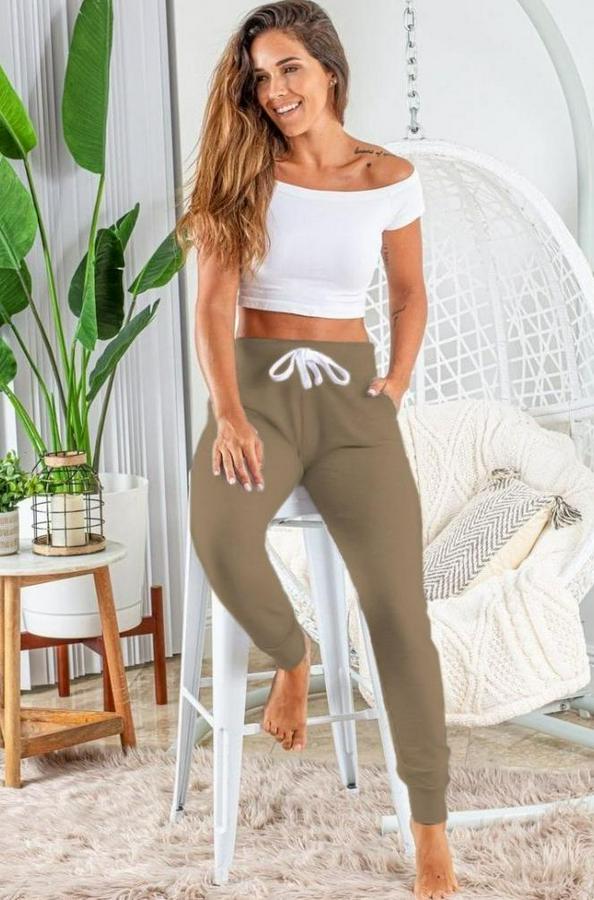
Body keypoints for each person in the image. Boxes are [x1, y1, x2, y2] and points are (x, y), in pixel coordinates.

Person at [176, 2, 459, 897]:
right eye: (261, 77)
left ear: (329, 68)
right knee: (221, 534)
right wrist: (228, 413)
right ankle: (294, 655)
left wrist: (397, 382)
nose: (275, 90)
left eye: (289, 68)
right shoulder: (246, 169)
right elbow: (213, 303)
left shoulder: (390, 176)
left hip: (352, 400)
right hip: (256, 392)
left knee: (399, 613)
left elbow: (408, 293)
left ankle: (431, 833)